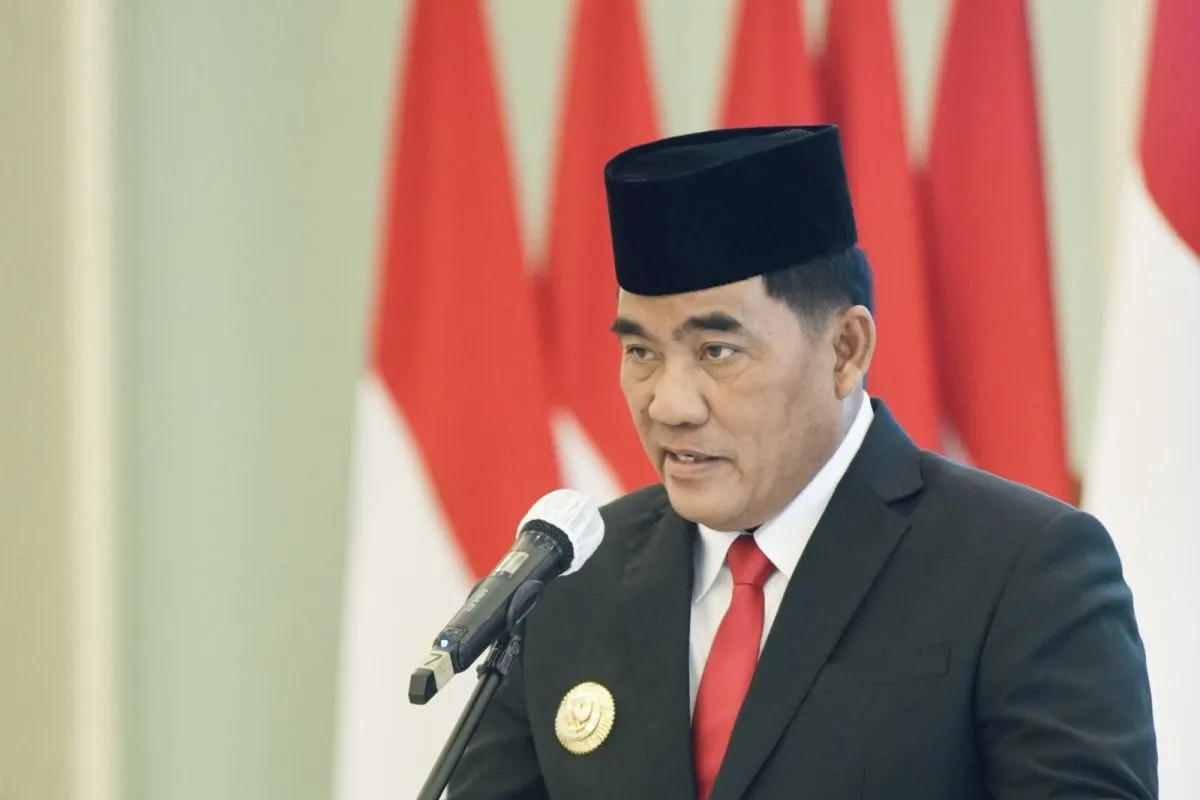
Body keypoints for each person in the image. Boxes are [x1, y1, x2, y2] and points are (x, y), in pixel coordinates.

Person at [446, 125, 1157, 799]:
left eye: (716, 351)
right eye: (641, 352)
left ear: (845, 350)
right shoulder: (567, 589)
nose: (669, 404)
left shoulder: (1020, 570)